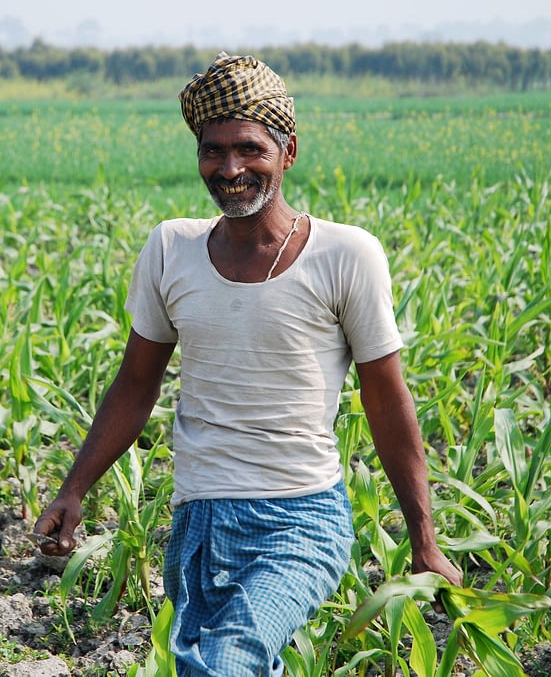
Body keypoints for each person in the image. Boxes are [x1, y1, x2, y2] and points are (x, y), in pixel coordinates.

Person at [33, 52, 462, 676]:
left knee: (227, 660)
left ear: (288, 151)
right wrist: (74, 488)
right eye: (213, 151)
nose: (230, 168)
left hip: (301, 515)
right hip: (198, 519)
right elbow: (134, 384)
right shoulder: (170, 249)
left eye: (249, 149)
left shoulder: (346, 255)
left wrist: (423, 537)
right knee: (214, 666)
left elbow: (387, 403)